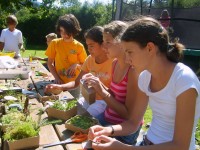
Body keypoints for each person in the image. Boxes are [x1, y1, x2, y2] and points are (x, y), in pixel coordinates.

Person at [88, 17, 200, 150]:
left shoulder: (184, 80)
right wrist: (107, 130)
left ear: (150, 48)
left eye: (130, 52)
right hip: (146, 143)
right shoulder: (145, 77)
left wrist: (125, 148)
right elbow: (133, 123)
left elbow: (180, 145)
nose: (127, 59)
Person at [82, 21, 142, 145]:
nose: (104, 47)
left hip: (123, 131)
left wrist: (102, 91)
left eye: (108, 42)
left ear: (122, 43)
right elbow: (114, 96)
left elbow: (127, 114)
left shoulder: (132, 71)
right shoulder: (115, 64)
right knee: (78, 130)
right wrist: (98, 84)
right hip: (106, 118)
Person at [45, 26, 113, 116]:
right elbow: (76, 82)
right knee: (70, 113)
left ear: (103, 44)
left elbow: (116, 94)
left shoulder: (113, 62)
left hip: (103, 102)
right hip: (88, 98)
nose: (89, 49)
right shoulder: (89, 59)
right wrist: (60, 87)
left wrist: (99, 86)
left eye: (91, 46)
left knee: (84, 118)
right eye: (87, 46)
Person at [45, 14, 87, 84]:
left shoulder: (79, 46)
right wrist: (57, 78)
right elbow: (49, 63)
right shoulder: (54, 43)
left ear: (74, 30)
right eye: (61, 31)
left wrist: (76, 65)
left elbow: (85, 66)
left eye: (67, 31)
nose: (64, 34)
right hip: (59, 82)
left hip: (74, 84)